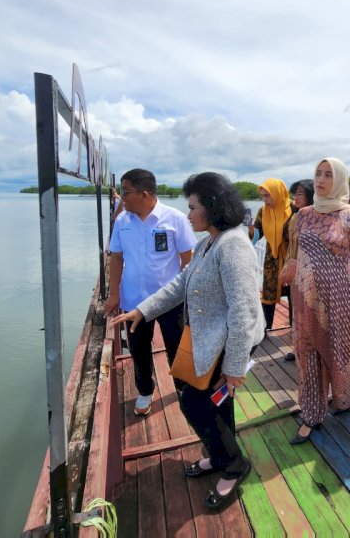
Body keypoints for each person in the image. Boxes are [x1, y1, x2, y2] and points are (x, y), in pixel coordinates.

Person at [110, 172, 263, 510]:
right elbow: (181, 284)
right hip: (209, 339)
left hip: (226, 343)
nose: (189, 214)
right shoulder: (210, 241)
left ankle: (234, 467)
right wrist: (143, 310)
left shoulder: (233, 245)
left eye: (193, 207)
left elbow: (244, 310)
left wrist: (235, 366)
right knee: (212, 405)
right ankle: (220, 455)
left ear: (211, 207)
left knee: (199, 403)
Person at [283, 158, 350, 444]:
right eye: (318, 173)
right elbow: (297, 251)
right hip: (305, 296)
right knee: (307, 354)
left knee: (340, 350)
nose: (320, 179)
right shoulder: (303, 214)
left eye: (328, 174)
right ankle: (311, 413)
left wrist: (336, 281)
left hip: (340, 297)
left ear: (340, 179)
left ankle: (343, 399)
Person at [104, 169, 196, 415]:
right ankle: (145, 391)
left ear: (144, 194)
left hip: (170, 301)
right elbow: (116, 258)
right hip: (134, 301)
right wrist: (113, 295)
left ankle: (183, 389)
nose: (122, 197)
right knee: (138, 350)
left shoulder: (175, 219)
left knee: (177, 347)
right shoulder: (122, 222)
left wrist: (187, 293)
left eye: (126, 191)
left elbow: (188, 258)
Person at [280, 179, 315, 362]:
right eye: (295, 194)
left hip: (310, 275)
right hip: (295, 274)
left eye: (300, 193)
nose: (296, 197)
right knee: (296, 312)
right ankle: (298, 347)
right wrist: (287, 270)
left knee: (310, 313)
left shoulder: (316, 216)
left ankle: (311, 350)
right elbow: (290, 246)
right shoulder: (295, 216)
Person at [254, 179, 292, 331]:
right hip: (272, 261)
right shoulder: (263, 212)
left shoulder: (295, 209)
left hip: (292, 260)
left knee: (294, 296)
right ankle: (265, 328)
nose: (266, 200)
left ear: (278, 193)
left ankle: (295, 328)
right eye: (263, 196)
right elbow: (256, 233)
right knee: (268, 296)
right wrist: (248, 226)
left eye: (269, 196)